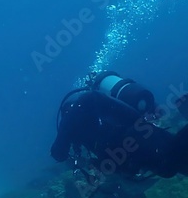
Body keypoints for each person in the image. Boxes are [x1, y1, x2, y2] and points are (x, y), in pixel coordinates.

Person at [51, 70, 188, 179]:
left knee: (173, 159)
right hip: (158, 156)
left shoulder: (82, 115)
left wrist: (59, 147)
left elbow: (91, 97)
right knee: (172, 164)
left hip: (151, 145)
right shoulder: (90, 134)